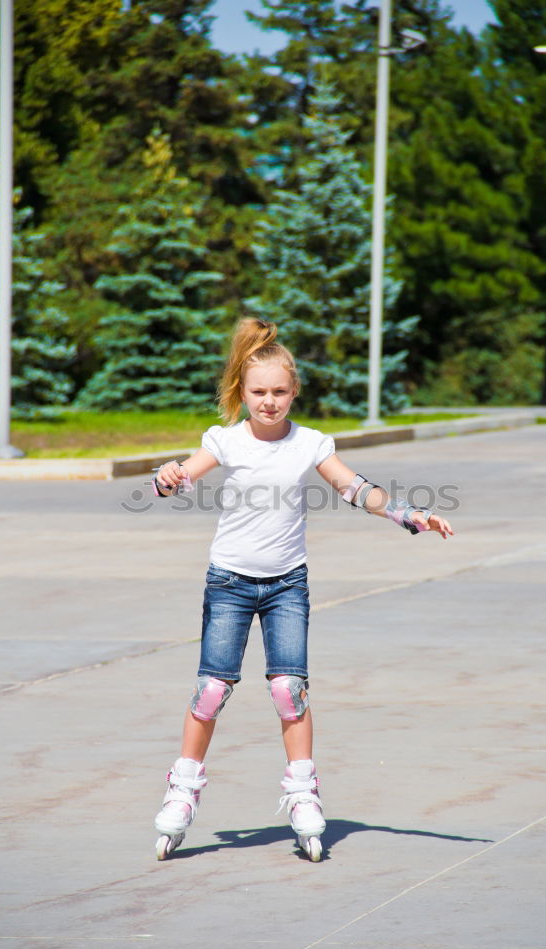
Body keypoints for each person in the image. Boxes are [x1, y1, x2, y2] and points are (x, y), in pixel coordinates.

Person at [151, 317, 453, 862]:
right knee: (212, 691)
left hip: (288, 584)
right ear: (242, 393)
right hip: (230, 582)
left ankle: (303, 792)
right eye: (259, 392)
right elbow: (183, 473)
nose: (270, 402)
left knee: (290, 689)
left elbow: (354, 487)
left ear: (295, 392)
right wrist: (168, 476)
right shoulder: (225, 440)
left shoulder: (309, 443)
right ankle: (183, 788)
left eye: (280, 392)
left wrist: (411, 514)